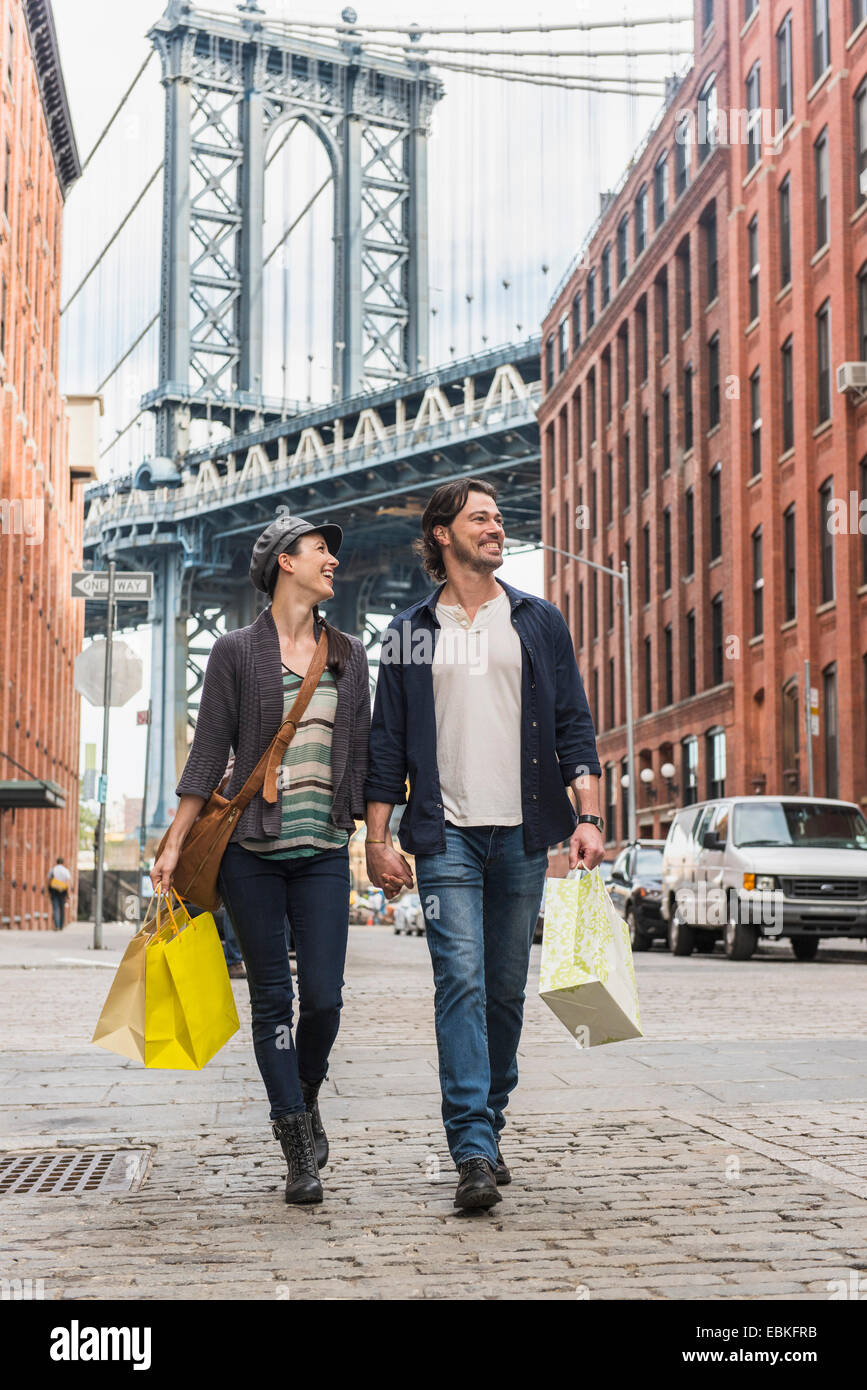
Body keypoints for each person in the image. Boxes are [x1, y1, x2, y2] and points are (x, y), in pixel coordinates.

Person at [364, 478, 604, 1212]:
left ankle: (489, 1123)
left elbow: (572, 723)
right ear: (442, 534)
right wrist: (376, 839)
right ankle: (469, 1146)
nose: (496, 528)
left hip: (525, 830)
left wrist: (588, 814)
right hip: (444, 836)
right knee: (459, 981)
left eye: (500, 518)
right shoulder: (408, 631)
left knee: (502, 991)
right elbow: (386, 744)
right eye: (480, 519)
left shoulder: (537, 620)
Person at [151, 516, 370, 1206]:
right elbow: (207, 753)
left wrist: (384, 836)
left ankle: (304, 1095)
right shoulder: (234, 652)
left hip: (325, 850)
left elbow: (359, 755)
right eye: (318, 550)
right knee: (273, 998)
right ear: (284, 563)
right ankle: (296, 1147)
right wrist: (175, 841)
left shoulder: (349, 654)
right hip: (251, 850)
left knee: (326, 999)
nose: (331, 559)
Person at [47, 857, 72, 931]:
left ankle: (57, 926)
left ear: (56, 862)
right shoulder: (65, 870)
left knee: (55, 909)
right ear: (63, 862)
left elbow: (49, 880)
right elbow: (68, 882)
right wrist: (68, 893)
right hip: (63, 891)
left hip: (54, 891)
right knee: (62, 909)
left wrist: (49, 891)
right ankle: (61, 926)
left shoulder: (53, 869)